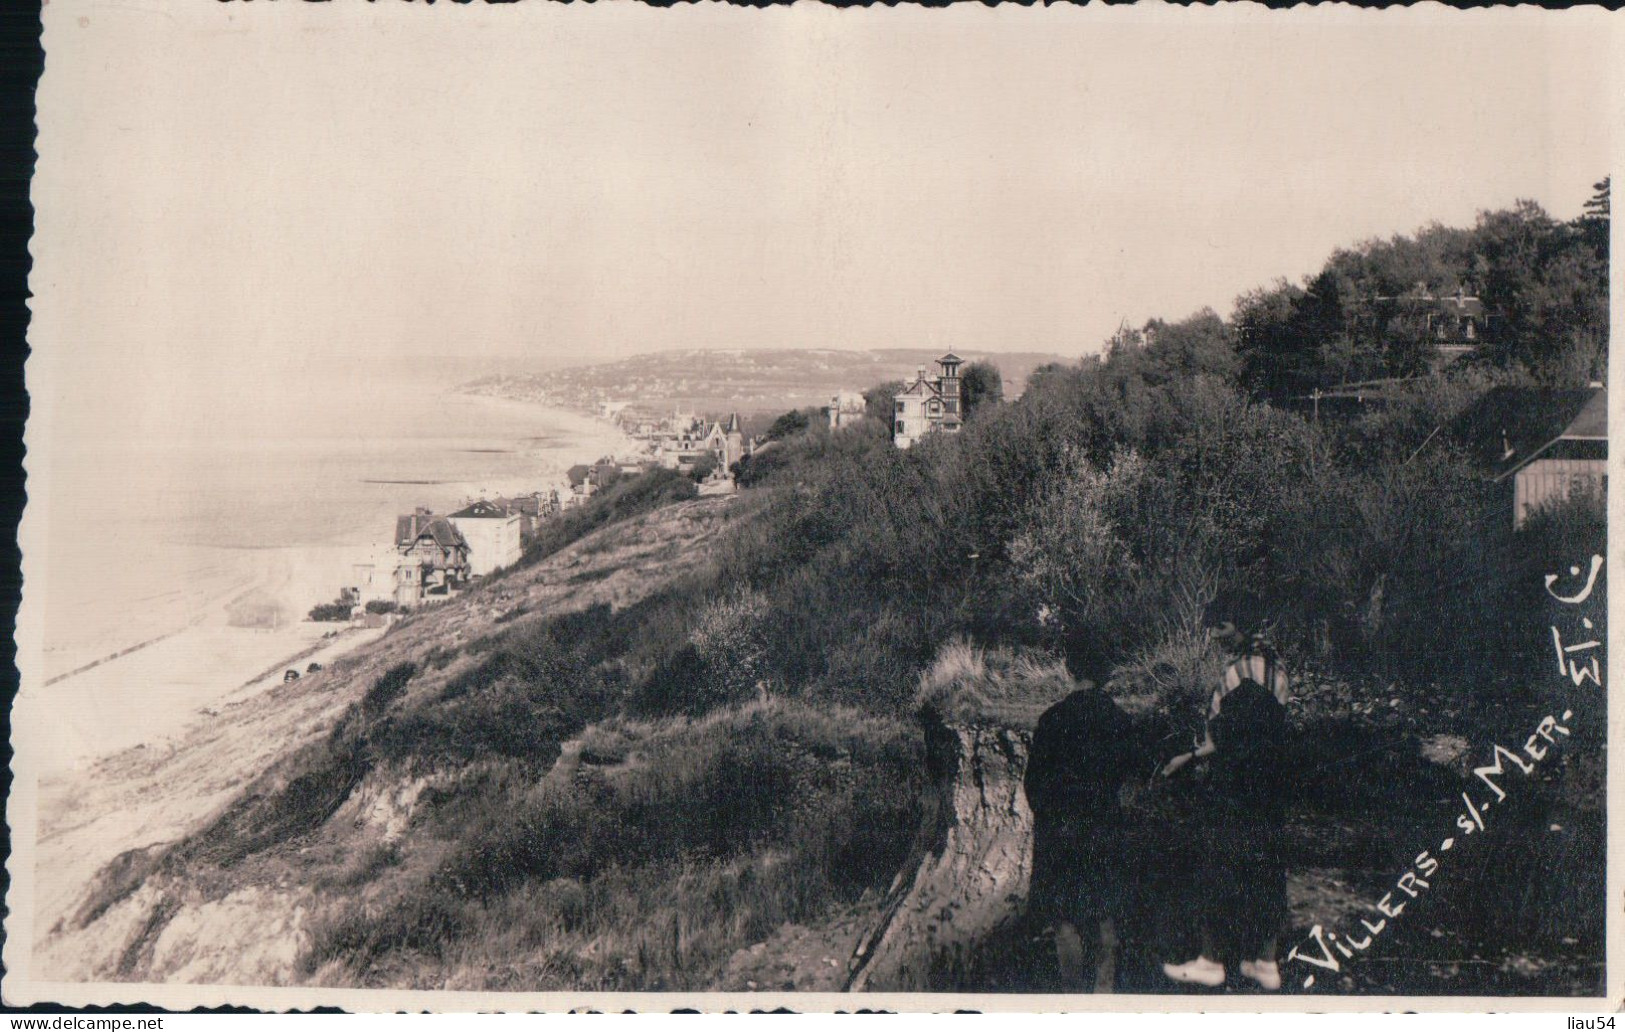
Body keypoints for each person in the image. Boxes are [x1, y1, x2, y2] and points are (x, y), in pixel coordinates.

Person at [1159, 623, 1290, 991]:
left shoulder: (1239, 673)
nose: (1215, 634)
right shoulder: (1276, 669)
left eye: (1223, 625)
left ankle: (1211, 961)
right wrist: (1190, 756)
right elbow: (1253, 735)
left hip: (1236, 787)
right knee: (1266, 870)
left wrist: (1194, 758)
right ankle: (1264, 962)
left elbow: (1228, 741)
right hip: (1268, 788)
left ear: (1242, 623)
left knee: (1219, 867)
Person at [1023, 682, 1142, 992]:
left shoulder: (1052, 719)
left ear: (1070, 667)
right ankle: (1103, 1000)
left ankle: (1073, 1003)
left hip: (1060, 830)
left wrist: (1052, 821)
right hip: (1102, 827)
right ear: (1108, 673)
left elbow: (1033, 785)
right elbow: (1132, 781)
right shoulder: (1120, 720)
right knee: (1105, 919)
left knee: (1064, 922)